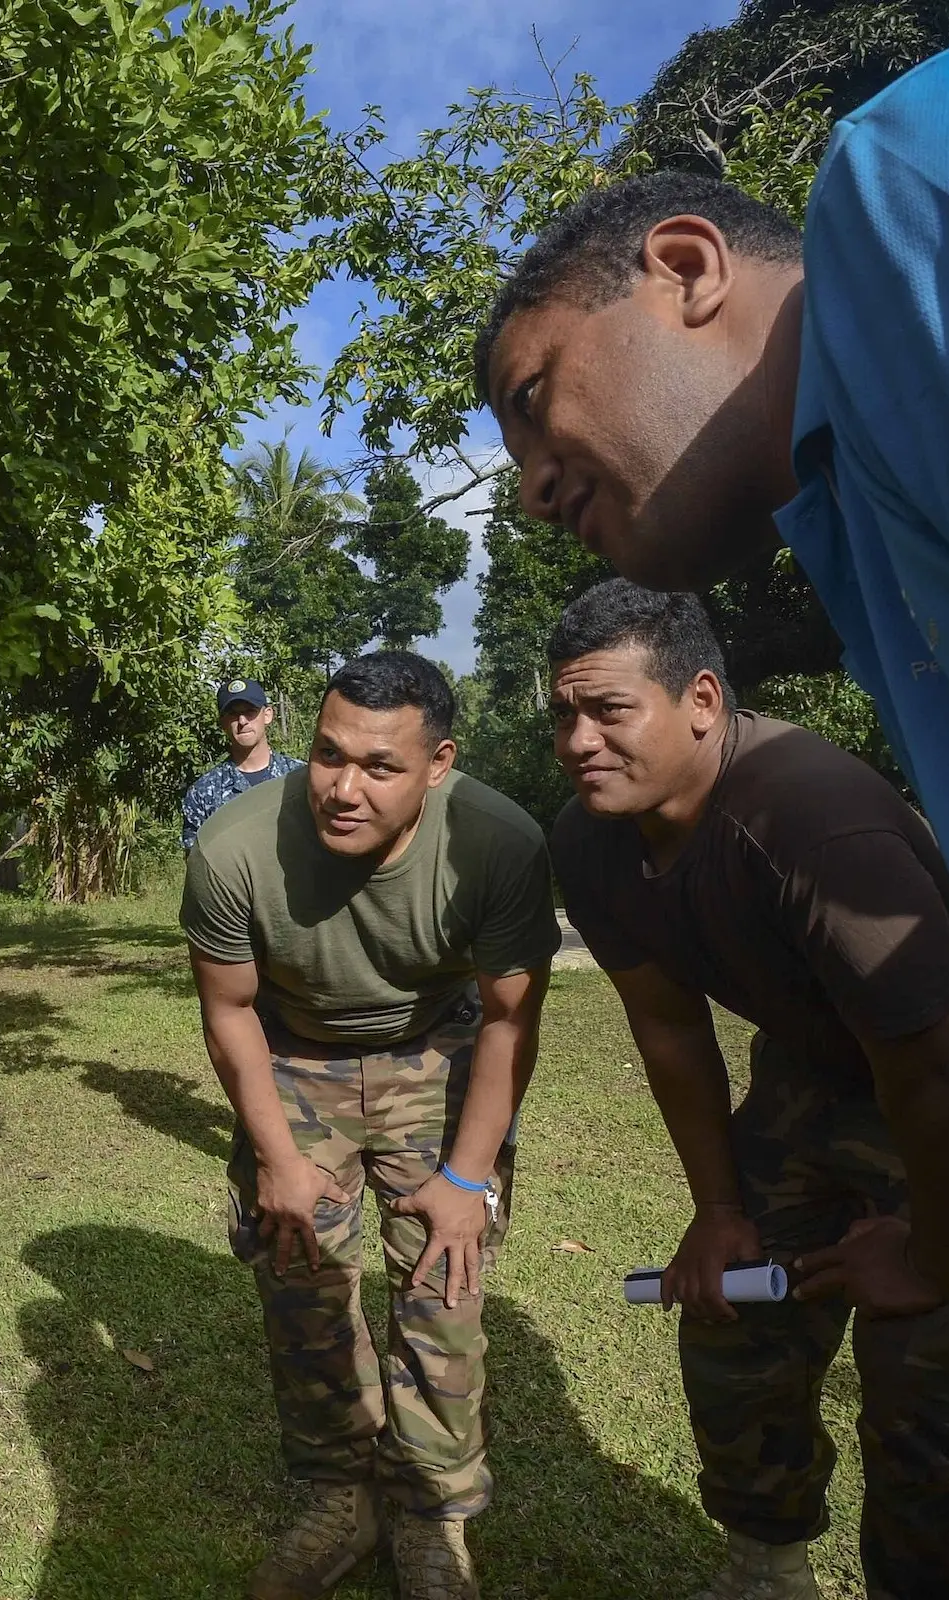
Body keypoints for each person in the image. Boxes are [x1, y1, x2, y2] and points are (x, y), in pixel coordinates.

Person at [475, 24, 949, 1115]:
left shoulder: (914, 188)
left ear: (686, 270)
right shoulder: (869, 541)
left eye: (534, 400)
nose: (531, 494)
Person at [543, 581, 949, 1600]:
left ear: (700, 699)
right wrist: (720, 1207)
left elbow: (941, 1070)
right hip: (818, 1070)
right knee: (732, 1316)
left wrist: (928, 1253)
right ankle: (767, 1572)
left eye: (609, 710)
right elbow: (670, 1026)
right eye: (562, 712)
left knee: (929, 1391)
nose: (577, 740)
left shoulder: (811, 823)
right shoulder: (592, 841)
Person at [181, 652, 558, 1600]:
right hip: (293, 1051)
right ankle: (336, 1496)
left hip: (436, 1048)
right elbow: (228, 1011)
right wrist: (275, 1157)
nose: (343, 790)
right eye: (327, 755)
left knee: (441, 1278)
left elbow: (512, 1016)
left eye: (380, 767)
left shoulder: (497, 843)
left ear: (437, 764)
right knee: (301, 1277)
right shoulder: (232, 845)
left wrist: (468, 1183)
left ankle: (431, 1515)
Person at [182, 678, 303, 849]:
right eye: (233, 714)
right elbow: (197, 864)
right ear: (222, 722)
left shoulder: (299, 777)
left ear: (267, 715)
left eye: (250, 711)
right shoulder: (203, 792)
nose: (242, 721)